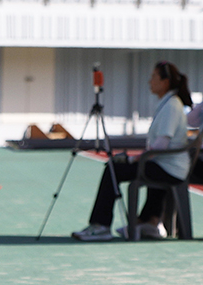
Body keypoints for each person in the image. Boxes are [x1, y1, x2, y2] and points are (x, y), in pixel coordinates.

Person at [72, 61, 193, 242]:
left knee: (113, 168)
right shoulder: (169, 103)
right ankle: (149, 222)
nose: (149, 81)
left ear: (165, 82)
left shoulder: (171, 106)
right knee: (133, 166)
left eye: (154, 77)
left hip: (170, 169)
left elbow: (160, 146)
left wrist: (134, 160)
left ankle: (101, 225)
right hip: (167, 165)